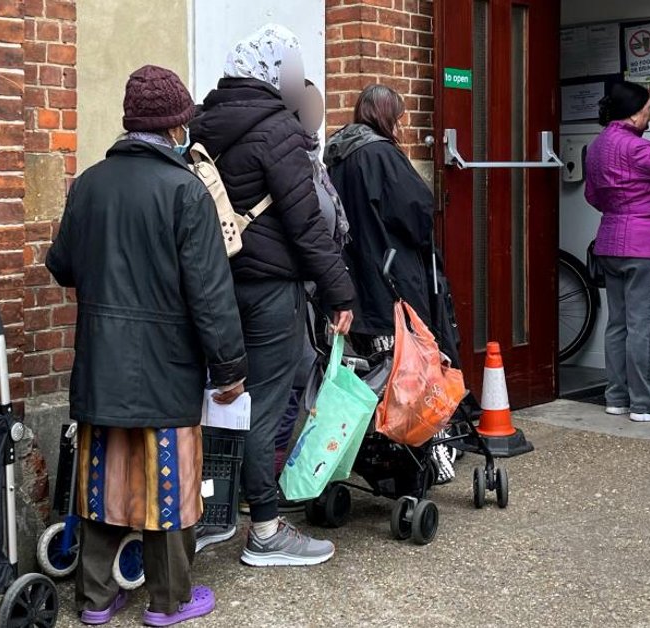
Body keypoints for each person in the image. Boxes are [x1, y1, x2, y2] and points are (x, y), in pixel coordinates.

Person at [46, 65, 246, 626]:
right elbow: (210, 294)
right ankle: (169, 602)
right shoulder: (186, 191)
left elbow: (61, 265)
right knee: (170, 484)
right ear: (177, 128)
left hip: (101, 365)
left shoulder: (89, 184)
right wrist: (231, 368)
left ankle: (94, 601)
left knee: (102, 482)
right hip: (168, 366)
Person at [190, 23, 355, 566]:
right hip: (269, 291)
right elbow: (306, 224)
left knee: (218, 401)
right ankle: (263, 528)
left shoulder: (202, 122)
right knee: (263, 405)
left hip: (214, 286)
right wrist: (340, 294)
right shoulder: (279, 130)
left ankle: (207, 518)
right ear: (273, 71)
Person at [324, 84, 458, 482]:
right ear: (386, 117)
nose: (402, 125)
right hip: (391, 275)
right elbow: (417, 213)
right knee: (409, 366)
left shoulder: (336, 155)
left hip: (354, 280)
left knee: (372, 370)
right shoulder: (381, 154)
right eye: (399, 117)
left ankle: (375, 453)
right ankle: (419, 448)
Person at [584, 82, 650, 423]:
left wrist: (621, 211)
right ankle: (645, 405)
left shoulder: (599, 146)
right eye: (648, 107)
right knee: (643, 327)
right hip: (644, 247)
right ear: (634, 113)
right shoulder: (633, 147)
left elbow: (593, 196)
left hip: (612, 243)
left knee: (618, 326)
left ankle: (616, 397)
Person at [272, 78, 351, 482]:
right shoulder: (292, 162)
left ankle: (274, 474)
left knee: (299, 379)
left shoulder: (314, 160)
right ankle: (264, 483)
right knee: (288, 383)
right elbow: (311, 228)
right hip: (288, 289)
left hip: (310, 291)